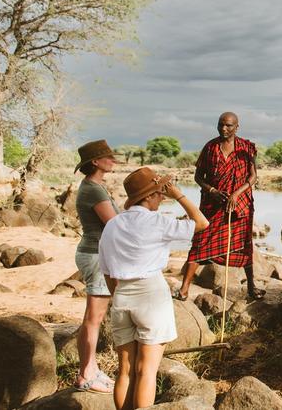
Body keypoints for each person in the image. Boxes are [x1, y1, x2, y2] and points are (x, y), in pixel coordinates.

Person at [98, 167, 209, 410]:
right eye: (160, 193)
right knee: (146, 370)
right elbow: (201, 222)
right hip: (151, 296)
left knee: (125, 370)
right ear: (147, 196)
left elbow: (107, 272)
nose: (162, 197)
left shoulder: (112, 226)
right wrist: (178, 194)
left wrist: (118, 296)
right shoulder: (158, 222)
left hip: (122, 297)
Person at [175, 112, 262, 301]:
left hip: (240, 206)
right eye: (221, 125)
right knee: (200, 243)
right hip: (212, 206)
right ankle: (183, 290)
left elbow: (253, 177)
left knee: (244, 246)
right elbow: (198, 177)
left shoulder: (247, 148)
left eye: (228, 126)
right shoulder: (210, 147)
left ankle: (251, 287)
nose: (224, 129)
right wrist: (213, 191)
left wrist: (236, 194)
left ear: (237, 127)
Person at [72, 139, 118, 394]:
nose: (113, 160)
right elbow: (114, 224)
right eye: (108, 157)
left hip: (95, 252)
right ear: (95, 162)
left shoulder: (94, 186)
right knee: (94, 318)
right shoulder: (94, 190)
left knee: (93, 318)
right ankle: (86, 375)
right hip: (96, 255)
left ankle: (91, 368)